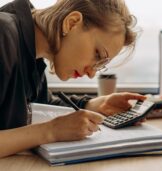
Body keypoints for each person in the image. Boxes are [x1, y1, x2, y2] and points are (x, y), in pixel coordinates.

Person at [0, 0, 145, 158]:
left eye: (100, 64)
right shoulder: (3, 35)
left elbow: (42, 104)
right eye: (97, 54)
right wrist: (51, 131)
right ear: (71, 23)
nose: (91, 73)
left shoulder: (32, 55)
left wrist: (92, 105)